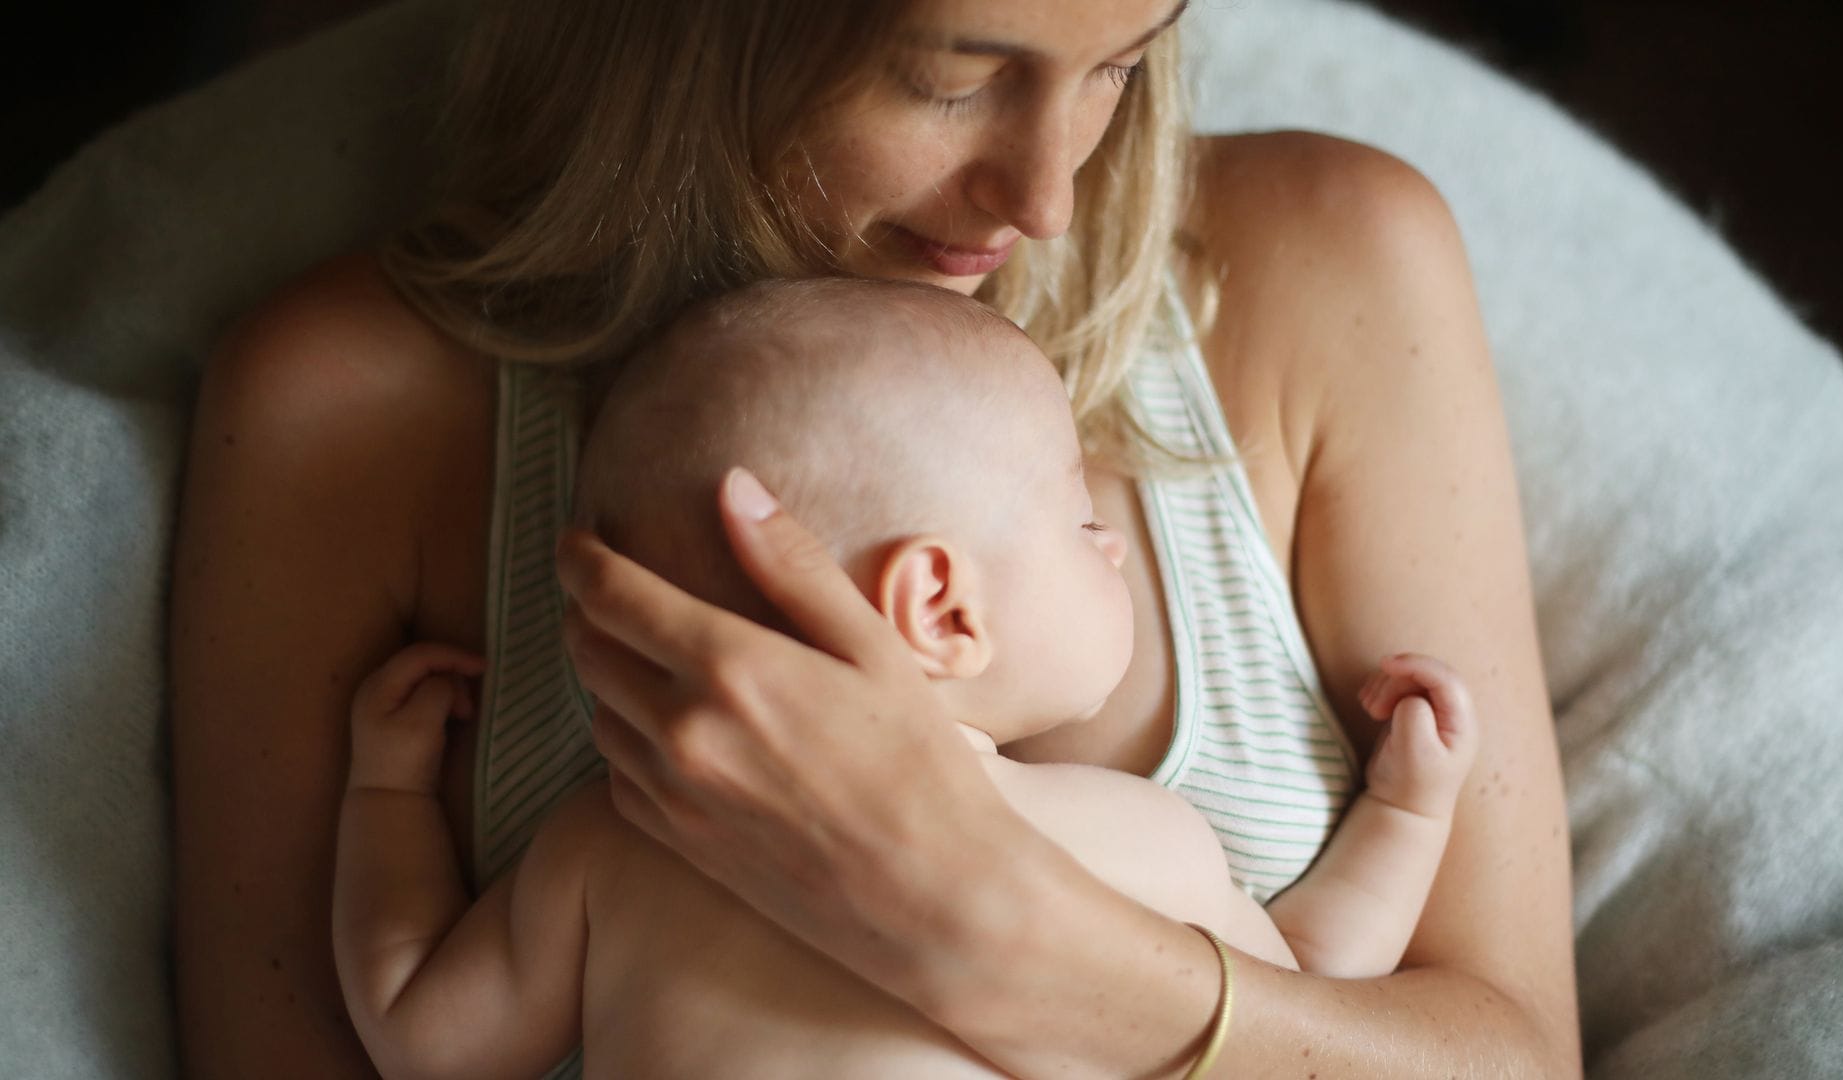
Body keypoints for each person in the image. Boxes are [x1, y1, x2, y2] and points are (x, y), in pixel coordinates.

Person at [169, 1, 1580, 1075]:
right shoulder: (345, 411)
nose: (1046, 200)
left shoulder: (1335, 260)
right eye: (950, 77)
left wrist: (998, 927)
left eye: (1121, 63)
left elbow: (1510, 1055)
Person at [330, 277, 1481, 1078]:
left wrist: (385, 798)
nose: (1115, 545)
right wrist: (1407, 810)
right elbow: (1310, 995)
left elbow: (419, 1040)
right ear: (939, 605)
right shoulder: (1134, 841)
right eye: (1084, 521)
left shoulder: (614, 845)